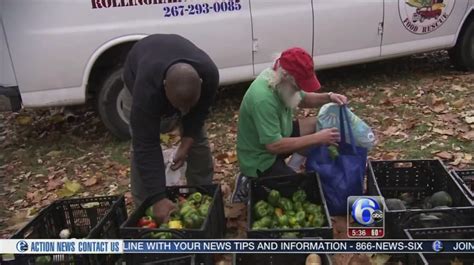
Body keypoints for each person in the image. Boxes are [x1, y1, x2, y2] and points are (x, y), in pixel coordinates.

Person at [122, 34, 219, 223]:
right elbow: (146, 143)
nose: (182, 112)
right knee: (140, 147)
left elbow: (199, 113)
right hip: (137, 75)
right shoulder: (146, 91)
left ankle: (203, 196)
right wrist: (158, 197)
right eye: (178, 107)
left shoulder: (209, 74)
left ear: (200, 83)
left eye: (187, 107)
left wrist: (186, 141)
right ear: (164, 86)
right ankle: (147, 205)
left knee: (198, 139)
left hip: (176, 82)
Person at [232, 47, 348, 203]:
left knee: (318, 124)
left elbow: (304, 98)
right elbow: (273, 146)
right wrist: (317, 138)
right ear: (285, 75)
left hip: (279, 133)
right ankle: (250, 181)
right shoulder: (262, 98)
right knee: (301, 193)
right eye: (299, 84)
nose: (301, 88)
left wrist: (329, 97)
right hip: (260, 157)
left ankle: (290, 168)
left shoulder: (280, 77)